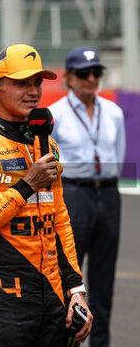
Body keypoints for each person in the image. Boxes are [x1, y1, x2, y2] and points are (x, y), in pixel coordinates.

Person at [0, 44, 93, 347]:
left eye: (37, 82)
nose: (33, 91)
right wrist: (26, 186)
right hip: (3, 303)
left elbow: (60, 220)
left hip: (53, 300)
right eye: (21, 83)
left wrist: (76, 289)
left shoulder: (46, 145)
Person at [49, 46, 126, 347]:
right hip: (73, 193)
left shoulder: (114, 113)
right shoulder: (55, 114)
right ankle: (63, 342)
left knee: (104, 282)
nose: (91, 78)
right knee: (68, 279)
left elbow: (117, 157)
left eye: (96, 72)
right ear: (68, 77)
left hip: (108, 194)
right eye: (83, 73)